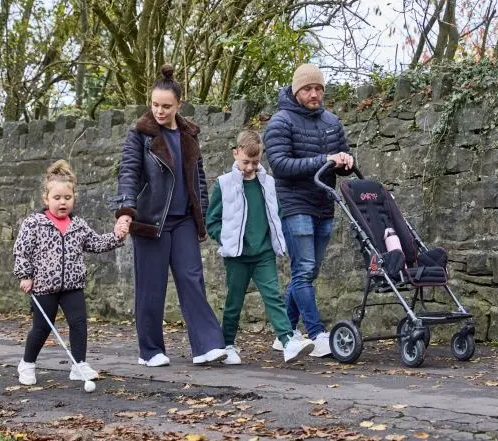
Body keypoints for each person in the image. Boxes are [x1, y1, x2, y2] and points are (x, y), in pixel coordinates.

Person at [114, 64, 228, 367]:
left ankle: (207, 346)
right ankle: (150, 351)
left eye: (166, 106)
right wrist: (126, 211)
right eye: (154, 105)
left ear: (179, 105)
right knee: (151, 286)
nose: (159, 111)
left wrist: (201, 215)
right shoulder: (140, 134)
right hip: (151, 222)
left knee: (192, 279)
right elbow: (128, 173)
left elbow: (198, 178)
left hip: (183, 221)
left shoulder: (190, 134)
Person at [263, 63, 354, 357]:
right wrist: (323, 159)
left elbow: (339, 161)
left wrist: (345, 162)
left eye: (318, 89)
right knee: (303, 270)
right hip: (295, 204)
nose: (314, 94)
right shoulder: (280, 121)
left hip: (324, 205)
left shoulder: (332, 121)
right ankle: (317, 334)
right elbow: (280, 166)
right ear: (295, 90)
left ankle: (284, 333)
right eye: (308, 89)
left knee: (308, 271)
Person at [206, 130, 315, 364]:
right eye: (246, 161)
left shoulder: (268, 183)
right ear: (236, 153)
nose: (249, 167)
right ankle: (228, 345)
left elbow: (276, 212)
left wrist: (275, 237)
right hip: (237, 255)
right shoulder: (223, 184)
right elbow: (212, 220)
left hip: (264, 252)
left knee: (273, 296)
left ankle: (287, 341)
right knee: (234, 302)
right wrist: (225, 239)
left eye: (255, 162)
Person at [14, 160, 126, 385]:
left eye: (67, 198)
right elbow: (21, 250)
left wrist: (117, 236)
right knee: (42, 327)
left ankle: (79, 365)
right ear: (46, 199)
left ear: (73, 198)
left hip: (73, 285)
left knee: (79, 323)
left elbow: (96, 243)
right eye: (57, 198)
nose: (62, 202)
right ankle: (27, 364)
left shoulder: (78, 225)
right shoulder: (34, 223)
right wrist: (25, 275)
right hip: (44, 287)